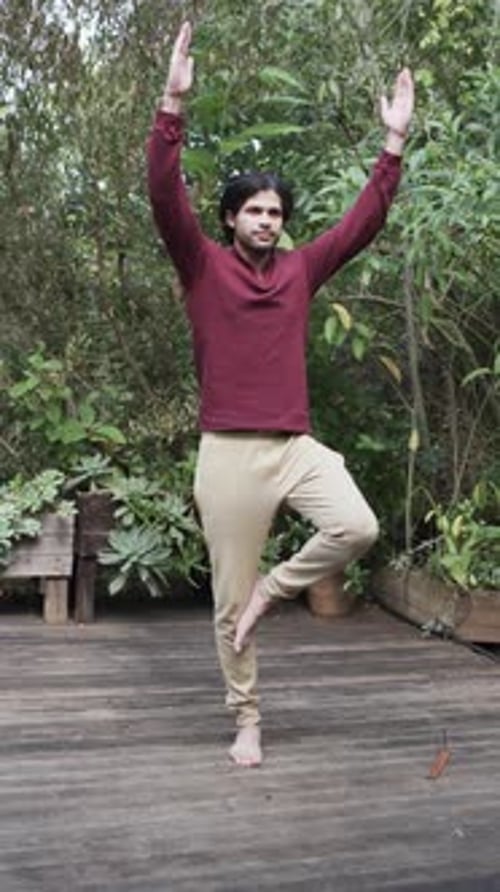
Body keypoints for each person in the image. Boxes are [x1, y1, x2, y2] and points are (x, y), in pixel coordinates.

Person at [147, 21, 414, 768]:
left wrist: (391, 147)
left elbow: (361, 225)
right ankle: (247, 717)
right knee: (229, 608)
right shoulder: (201, 265)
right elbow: (163, 194)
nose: (267, 220)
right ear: (231, 218)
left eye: (276, 213)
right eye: (254, 210)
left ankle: (278, 587)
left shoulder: (301, 272)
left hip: (292, 445)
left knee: (356, 527)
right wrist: (172, 103)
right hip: (228, 455)